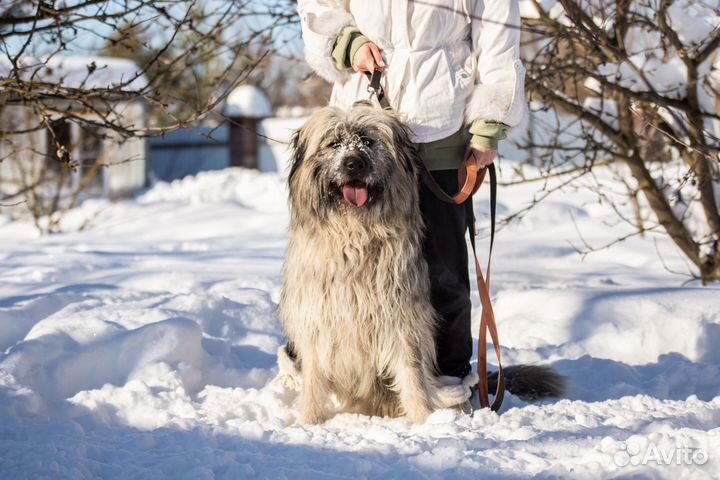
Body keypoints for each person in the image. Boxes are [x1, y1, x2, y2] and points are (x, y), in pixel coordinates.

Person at [279, 0, 528, 409]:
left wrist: (489, 123)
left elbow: (499, 40)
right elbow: (318, 8)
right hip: (364, 121)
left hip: (441, 132)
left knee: (441, 267)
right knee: (330, 263)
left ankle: (446, 372)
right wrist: (346, 40)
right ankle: (319, 363)